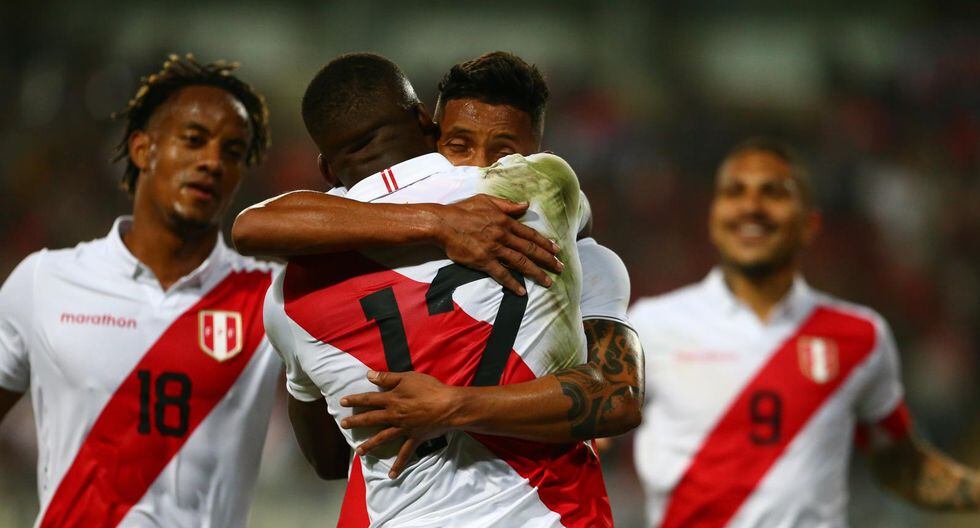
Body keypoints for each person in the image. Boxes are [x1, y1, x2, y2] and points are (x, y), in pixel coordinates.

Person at [0, 53, 551, 528]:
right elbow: (259, 224)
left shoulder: (275, 295)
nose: (213, 162)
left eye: (234, 150)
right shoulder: (42, 282)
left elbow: (329, 454)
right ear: (142, 148)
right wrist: (436, 220)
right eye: (193, 140)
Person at [233, 52, 642, 472]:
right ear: (429, 130)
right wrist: (439, 222)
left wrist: (454, 406)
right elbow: (253, 226)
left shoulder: (295, 286)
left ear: (531, 159)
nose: (479, 167)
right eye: (459, 147)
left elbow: (618, 399)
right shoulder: (327, 247)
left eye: (504, 155)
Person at [628, 138, 980, 527]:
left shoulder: (860, 337)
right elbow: (589, 442)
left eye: (773, 193)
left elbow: (905, 469)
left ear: (810, 225)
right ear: (713, 218)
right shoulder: (651, 325)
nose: (751, 207)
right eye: (735, 192)